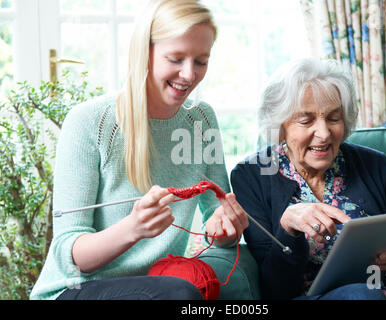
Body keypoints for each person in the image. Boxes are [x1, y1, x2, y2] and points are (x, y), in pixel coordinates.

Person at [30, 0, 248, 300]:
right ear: (143, 53)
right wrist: (132, 229)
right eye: (175, 58)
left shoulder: (201, 120)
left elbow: (216, 213)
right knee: (179, 295)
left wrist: (227, 228)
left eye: (201, 61)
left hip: (157, 284)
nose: (189, 74)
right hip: (75, 289)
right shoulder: (89, 122)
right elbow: (71, 253)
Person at [230, 58, 386, 300]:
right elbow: (273, 290)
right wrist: (288, 229)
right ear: (281, 125)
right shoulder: (251, 176)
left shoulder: (376, 166)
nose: (324, 133)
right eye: (306, 120)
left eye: (333, 118)